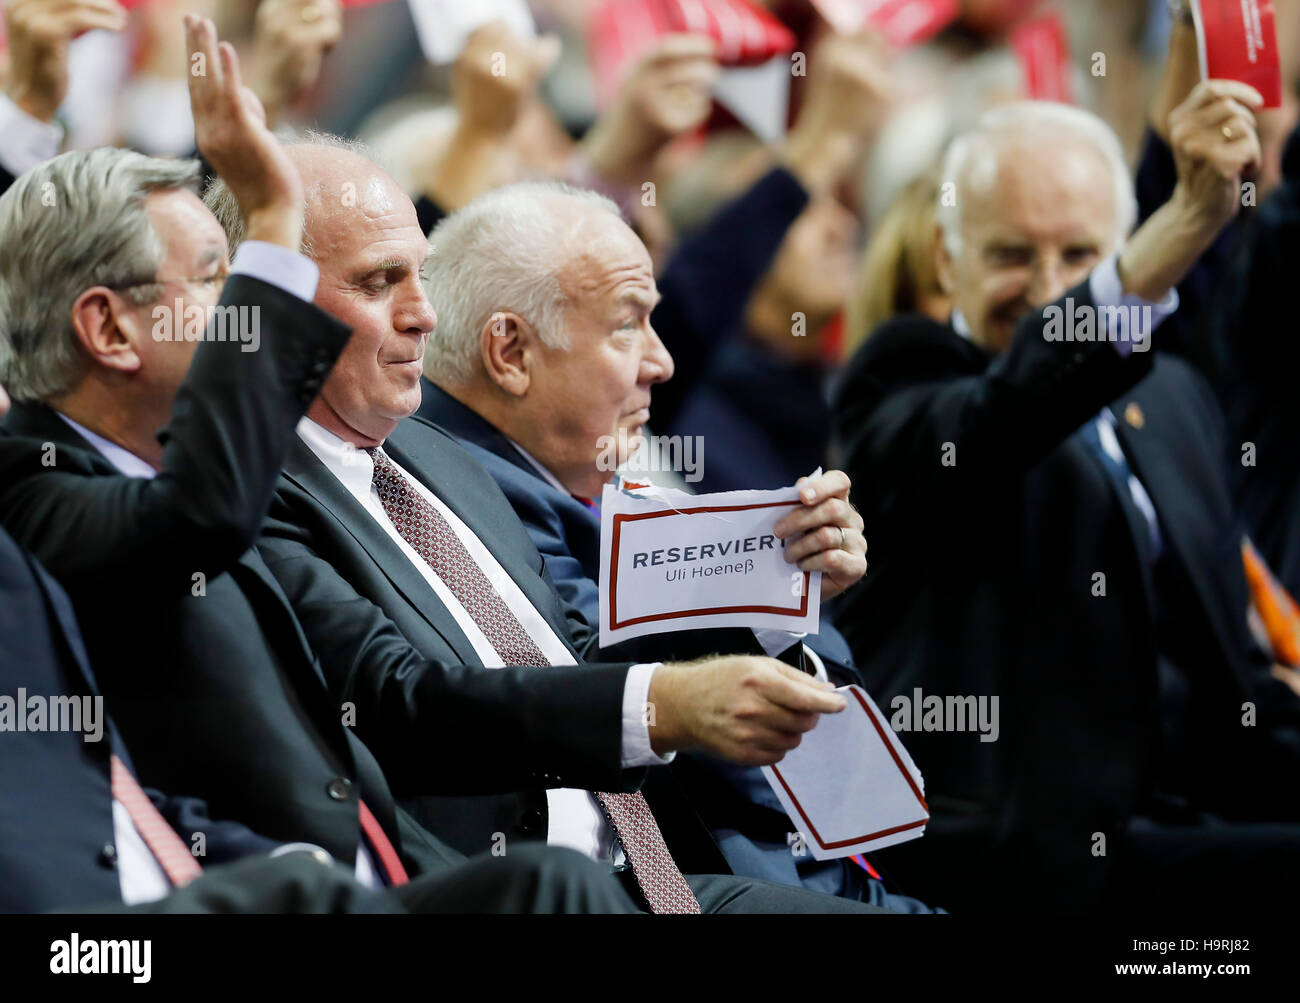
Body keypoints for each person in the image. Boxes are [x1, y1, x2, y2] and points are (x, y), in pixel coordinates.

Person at [205, 138, 892, 914]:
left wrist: (771, 591)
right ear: (268, 302)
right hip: (511, 890)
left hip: (664, 876)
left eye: (420, 276)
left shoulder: (436, 452)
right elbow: (404, 698)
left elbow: (577, 655)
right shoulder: (249, 493)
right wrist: (664, 703)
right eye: (378, 282)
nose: (423, 313)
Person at [830, 87, 1300, 913]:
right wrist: (1186, 222)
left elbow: (1230, 684)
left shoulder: (1176, 398)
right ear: (947, 260)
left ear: (1125, 247)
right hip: (1029, 860)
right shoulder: (901, 386)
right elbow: (1013, 408)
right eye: (1013, 254)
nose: (1048, 289)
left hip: (1204, 809)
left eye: (1081, 256)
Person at [415, 180, 940, 912]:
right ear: (510, 351)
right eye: (628, 326)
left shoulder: (593, 482)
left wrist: (785, 588)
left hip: (814, 863)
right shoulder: (458, 491)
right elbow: (603, 691)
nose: (661, 362)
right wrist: (759, 598)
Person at [0, 380, 640, 915]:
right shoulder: (56, 493)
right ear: (108, 329)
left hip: (331, 873)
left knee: (562, 886)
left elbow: (122, 793)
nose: (235, 319)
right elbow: (391, 695)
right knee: (559, 887)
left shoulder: (432, 453)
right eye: (208, 286)